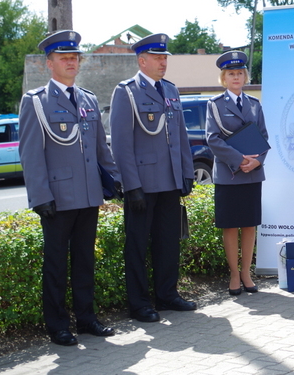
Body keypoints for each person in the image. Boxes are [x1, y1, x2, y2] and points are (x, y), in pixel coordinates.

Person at [19, 30, 122, 346]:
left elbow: (100, 148)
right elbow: (31, 153)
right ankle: (57, 325)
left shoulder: (88, 99)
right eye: (63, 58)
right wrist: (40, 196)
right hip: (57, 198)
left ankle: (87, 319)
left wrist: (115, 179)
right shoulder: (36, 101)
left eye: (74, 57)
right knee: (55, 265)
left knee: (84, 260)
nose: (71, 62)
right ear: (49, 63)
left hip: (89, 195)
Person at [110, 33, 197, 323]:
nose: (163, 63)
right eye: (157, 58)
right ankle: (139, 304)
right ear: (142, 61)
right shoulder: (127, 92)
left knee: (168, 242)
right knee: (137, 245)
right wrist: (131, 185)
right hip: (143, 184)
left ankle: (167, 295)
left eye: (164, 58)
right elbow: (121, 144)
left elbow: (181, 136)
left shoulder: (170, 90)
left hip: (170, 180)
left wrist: (186, 173)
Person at [205, 51, 268, 296]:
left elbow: (263, 137)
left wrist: (257, 162)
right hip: (228, 174)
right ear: (224, 77)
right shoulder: (215, 104)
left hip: (251, 173)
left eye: (240, 73)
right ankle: (233, 274)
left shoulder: (254, 104)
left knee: (250, 225)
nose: (236, 77)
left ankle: (246, 273)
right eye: (231, 73)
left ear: (245, 76)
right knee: (230, 226)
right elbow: (213, 139)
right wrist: (239, 160)